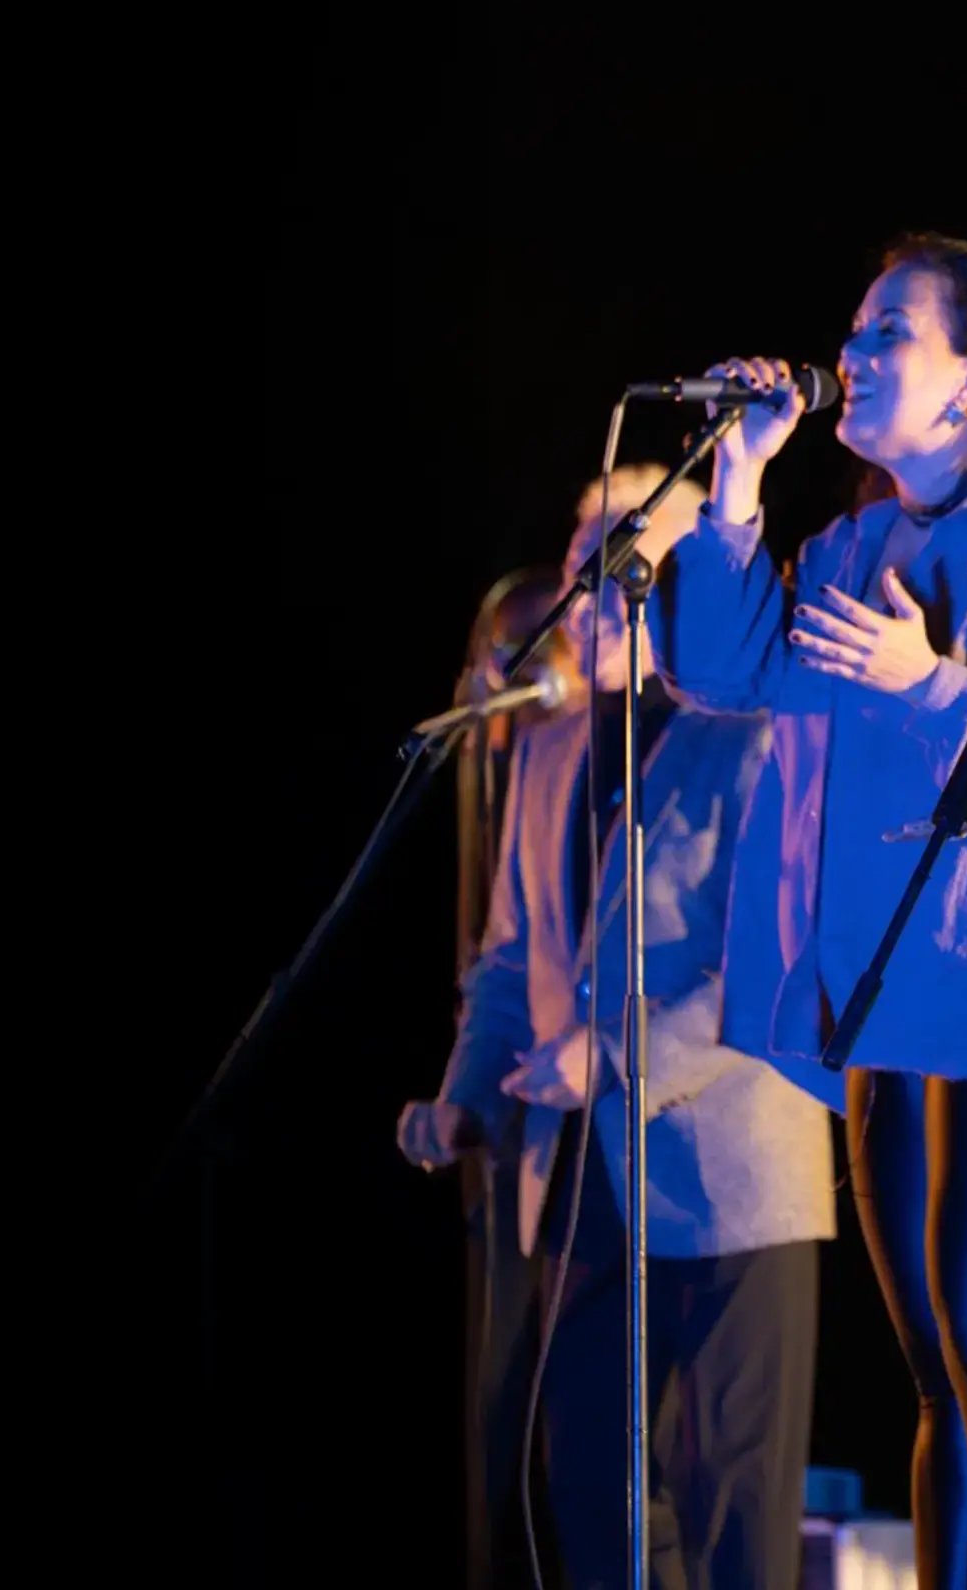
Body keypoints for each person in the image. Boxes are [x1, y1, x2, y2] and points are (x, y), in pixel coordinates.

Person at [655, 233, 967, 1590]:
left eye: (891, 334)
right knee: (938, 1366)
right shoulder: (855, 537)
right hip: (884, 983)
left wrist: (926, 679)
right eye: (858, 328)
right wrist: (739, 479)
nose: (855, 354)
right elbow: (719, 668)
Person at [399, 468, 836, 1590]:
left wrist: (620, 1051)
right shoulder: (546, 748)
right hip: (581, 1176)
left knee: (734, 1504)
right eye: (581, 558)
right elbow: (511, 952)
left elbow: (783, 960)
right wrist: (467, 1092)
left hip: (733, 1172)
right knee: (593, 1495)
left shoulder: (754, 729)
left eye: (620, 564)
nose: (584, 591)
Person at [448, 564, 577, 1590]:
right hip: (529, 1145)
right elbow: (502, 958)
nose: (514, 672)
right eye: (502, 655)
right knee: (513, 1438)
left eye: (536, 649)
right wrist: (464, 1091)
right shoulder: (519, 770)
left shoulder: (637, 746)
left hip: (622, 1132)